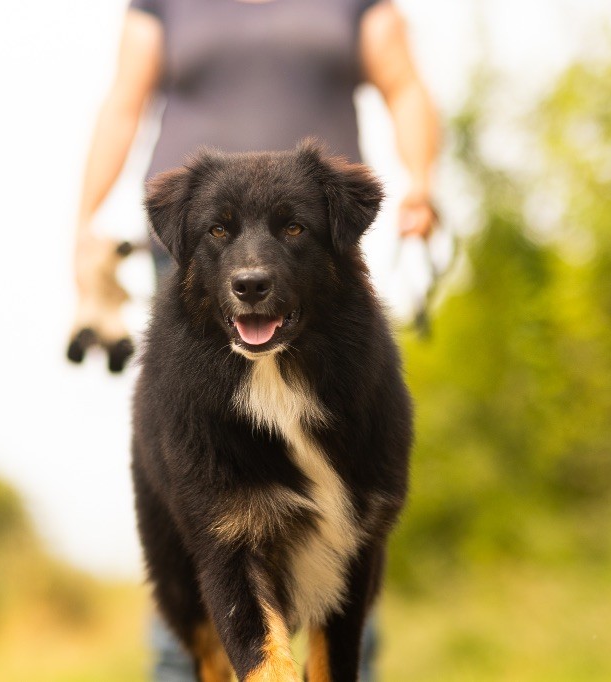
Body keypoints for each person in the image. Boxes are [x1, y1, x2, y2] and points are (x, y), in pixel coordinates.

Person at [73, 1, 440, 678]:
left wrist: (420, 182)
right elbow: (124, 101)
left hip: (322, 248)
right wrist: (86, 223)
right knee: (202, 526)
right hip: (193, 248)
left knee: (348, 531)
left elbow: (405, 85)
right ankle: (203, 660)